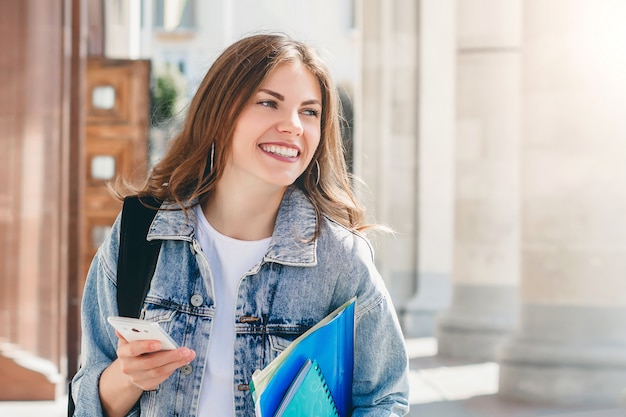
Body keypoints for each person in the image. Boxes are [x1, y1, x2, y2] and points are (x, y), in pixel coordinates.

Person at [71, 32, 409, 417]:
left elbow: (385, 400)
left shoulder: (339, 258)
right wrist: (129, 376)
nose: (294, 125)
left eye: (309, 111)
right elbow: (87, 397)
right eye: (269, 103)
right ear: (220, 113)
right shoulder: (142, 232)